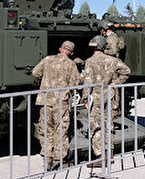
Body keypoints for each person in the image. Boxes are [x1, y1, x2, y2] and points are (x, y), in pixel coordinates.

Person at [31, 41, 82, 171]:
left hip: (45, 100)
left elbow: (35, 72)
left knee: (46, 129)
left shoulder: (47, 59)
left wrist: (41, 83)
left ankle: (47, 158)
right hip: (61, 102)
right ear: (71, 53)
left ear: (60, 49)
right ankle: (58, 159)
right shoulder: (71, 64)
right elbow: (76, 83)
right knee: (61, 130)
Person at [83, 35, 131, 168]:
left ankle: (100, 156)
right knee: (108, 125)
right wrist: (115, 83)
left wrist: (85, 99)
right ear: (104, 46)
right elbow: (127, 71)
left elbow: (87, 82)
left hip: (96, 97)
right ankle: (109, 154)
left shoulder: (90, 61)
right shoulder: (112, 60)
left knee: (96, 126)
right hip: (110, 95)